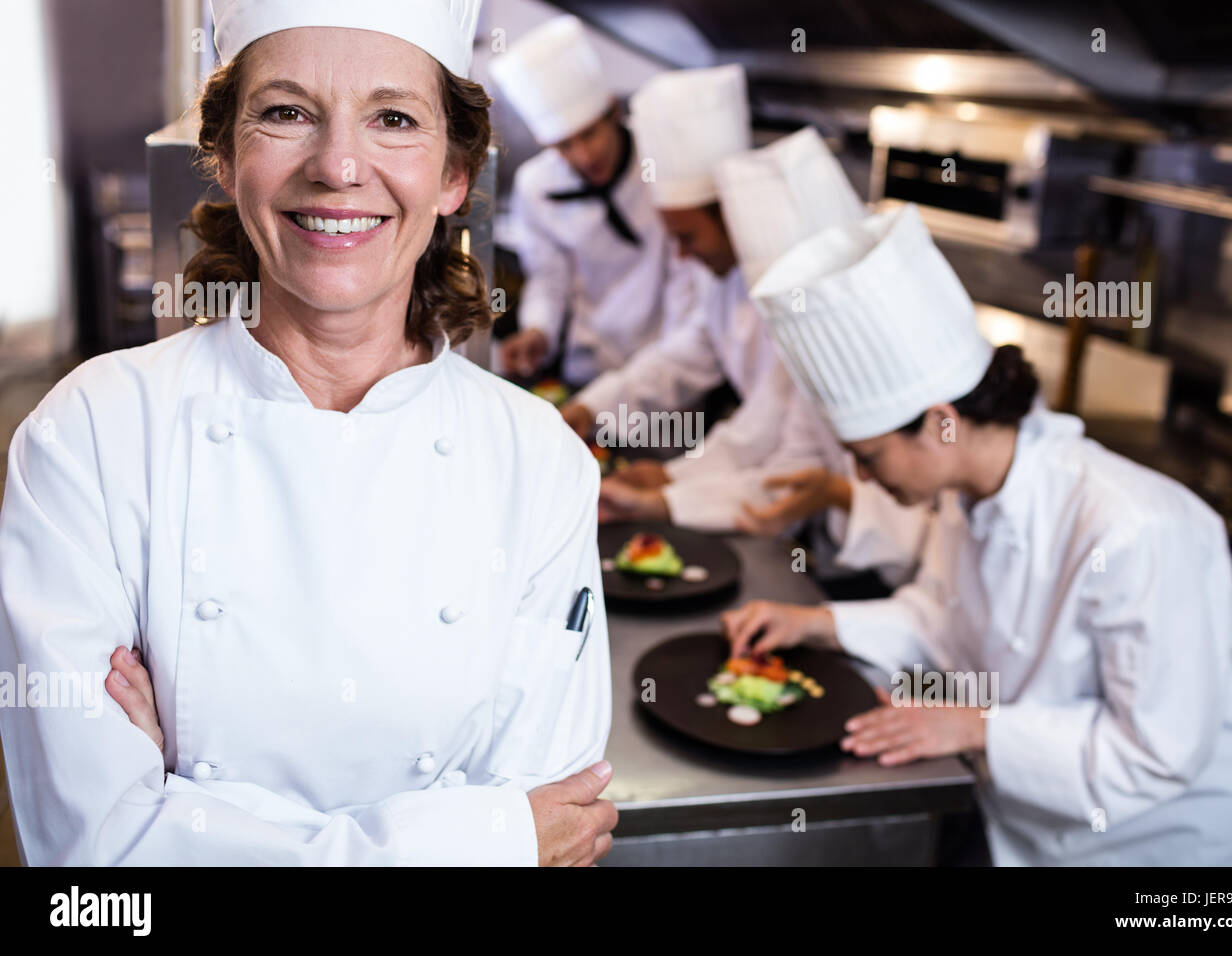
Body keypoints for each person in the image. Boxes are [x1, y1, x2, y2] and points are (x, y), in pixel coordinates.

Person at [0, 0, 615, 866]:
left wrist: (188, 806)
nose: (338, 166)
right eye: (286, 113)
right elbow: (97, 867)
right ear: (222, 155)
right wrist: (480, 839)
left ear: (454, 176)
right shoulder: (88, 436)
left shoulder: (539, 457)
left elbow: (557, 813)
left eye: (394, 119)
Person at [721, 203, 1232, 865]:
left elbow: (1158, 753)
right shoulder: (969, 497)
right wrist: (819, 625)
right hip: (1043, 827)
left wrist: (971, 725)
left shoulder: (1134, 529)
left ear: (941, 423)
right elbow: (945, 621)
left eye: (869, 453)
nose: (861, 476)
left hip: (1187, 853)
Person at [592, 127, 931, 585]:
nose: (682, 254)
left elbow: (936, 550)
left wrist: (839, 494)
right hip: (856, 572)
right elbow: (775, 454)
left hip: (889, 584)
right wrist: (668, 490)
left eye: (689, 235)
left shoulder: (920, 372)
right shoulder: (809, 342)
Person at [558, 64, 776, 442]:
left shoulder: (784, 289)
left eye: (688, 237)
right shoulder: (720, 279)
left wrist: (674, 490)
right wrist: (591, 407)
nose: (681, 256)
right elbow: (685, 355)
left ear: (731, 214)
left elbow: (775, 432)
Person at [489, 15, 697, 386]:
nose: (584, 156)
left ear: (613, 112)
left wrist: (668, 368)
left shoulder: (662, 160)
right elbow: (549, 279)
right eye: (565, 145)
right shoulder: (535, 185)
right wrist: (539, 331)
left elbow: (688, 278)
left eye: (590, 135)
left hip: (668, 364)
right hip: (587, 365)